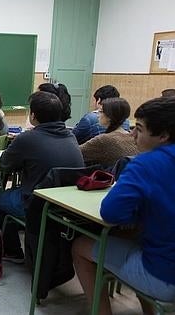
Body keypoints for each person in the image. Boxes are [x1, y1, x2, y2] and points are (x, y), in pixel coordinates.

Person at [72, 97, 175, 315]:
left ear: (164, 135)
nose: (132, 135)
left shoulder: (144, 164)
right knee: (132, 240)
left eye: (139, 129)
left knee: (80, 246)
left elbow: (110, 214)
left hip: (164, 276)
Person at [0, 91, 84, 263]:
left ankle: (12, 250)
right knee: (16, 194)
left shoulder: (28, 138)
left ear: (33, 116)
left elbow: (5, 163)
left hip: (37, 206)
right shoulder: (71, 136)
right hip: (67, 207)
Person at [79, 97, 138, 168]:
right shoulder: (133, 137)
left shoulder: (104, 140)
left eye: (100, 112)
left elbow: (75, 153)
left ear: (109, 117)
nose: (97, 115)